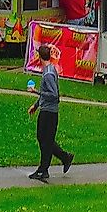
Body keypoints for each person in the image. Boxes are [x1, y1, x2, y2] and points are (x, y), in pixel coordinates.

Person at [27, 44, 73, 181]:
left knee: (45, 140)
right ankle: (65, 157)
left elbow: (54, 95)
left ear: (39, 57)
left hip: (49, 112)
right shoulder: (50, 69)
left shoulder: (48, 74)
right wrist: (35, 105)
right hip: (46, 110)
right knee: (44, 139)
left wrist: (36, 91)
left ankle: (43, 170)